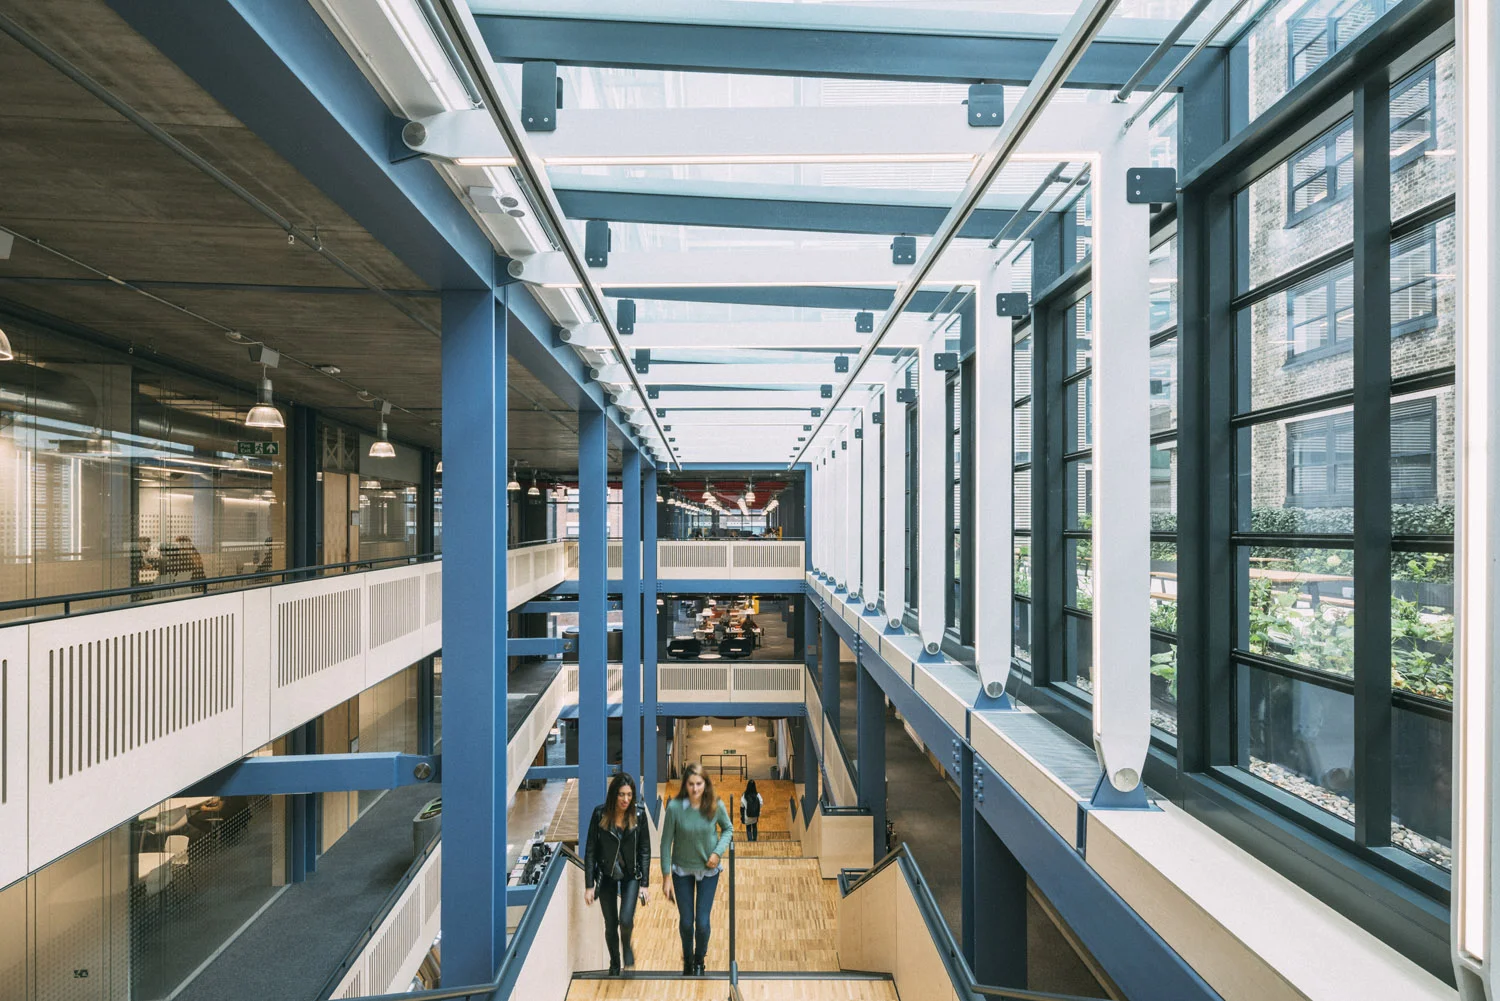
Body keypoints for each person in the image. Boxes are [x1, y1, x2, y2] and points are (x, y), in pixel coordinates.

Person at [660, 761, 733, 976]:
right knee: (686, 922)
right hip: (681, 870)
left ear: (705, 784)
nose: (695, 789)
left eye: (699, 784)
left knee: (701, 922)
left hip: (708, 871)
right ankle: (688, 959)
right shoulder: (674, 808)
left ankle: (700, 959)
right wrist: (666, 877)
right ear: (685, 785)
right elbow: (665, 843)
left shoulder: (715, 805)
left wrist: (717, 852)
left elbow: (728, 829)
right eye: (691, 784)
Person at [583, 772, 651, 975]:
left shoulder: (639, 815)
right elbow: (590, 851)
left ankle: (626, 946)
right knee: (611, 924)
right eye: (621, 794)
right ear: (614, 794)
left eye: (629, 795)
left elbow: (645, 850)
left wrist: (645, 884)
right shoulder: (599, 814)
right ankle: (614, 963)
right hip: (607, 875)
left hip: (631, 875)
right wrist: (589, 885)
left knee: (626, 920)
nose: (626, 799)